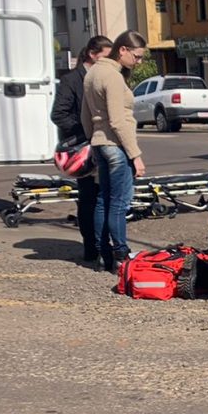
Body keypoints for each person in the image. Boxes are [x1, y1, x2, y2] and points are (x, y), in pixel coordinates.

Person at [81, 30, 147, 272]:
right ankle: (121, 253)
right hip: (116, 146)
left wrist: (93, 138)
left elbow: (85, 115)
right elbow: (118, 121)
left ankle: (102, 253)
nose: (138, 62)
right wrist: (135, 155)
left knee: (103, 200)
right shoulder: (113, 77)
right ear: (123, 50)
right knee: (119, 203)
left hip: (100, 143)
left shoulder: (92, 73)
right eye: (137, 56)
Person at [51, 35, 111, 262]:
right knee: (89, 198)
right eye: (105, 56)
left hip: (102, 144)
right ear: (92, 55)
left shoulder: (104, 77)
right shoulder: (72, 80)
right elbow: (58, 114)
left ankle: (101, 243)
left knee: (103, 197)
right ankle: (91, 246)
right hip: (83, 149)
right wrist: (85, 131)